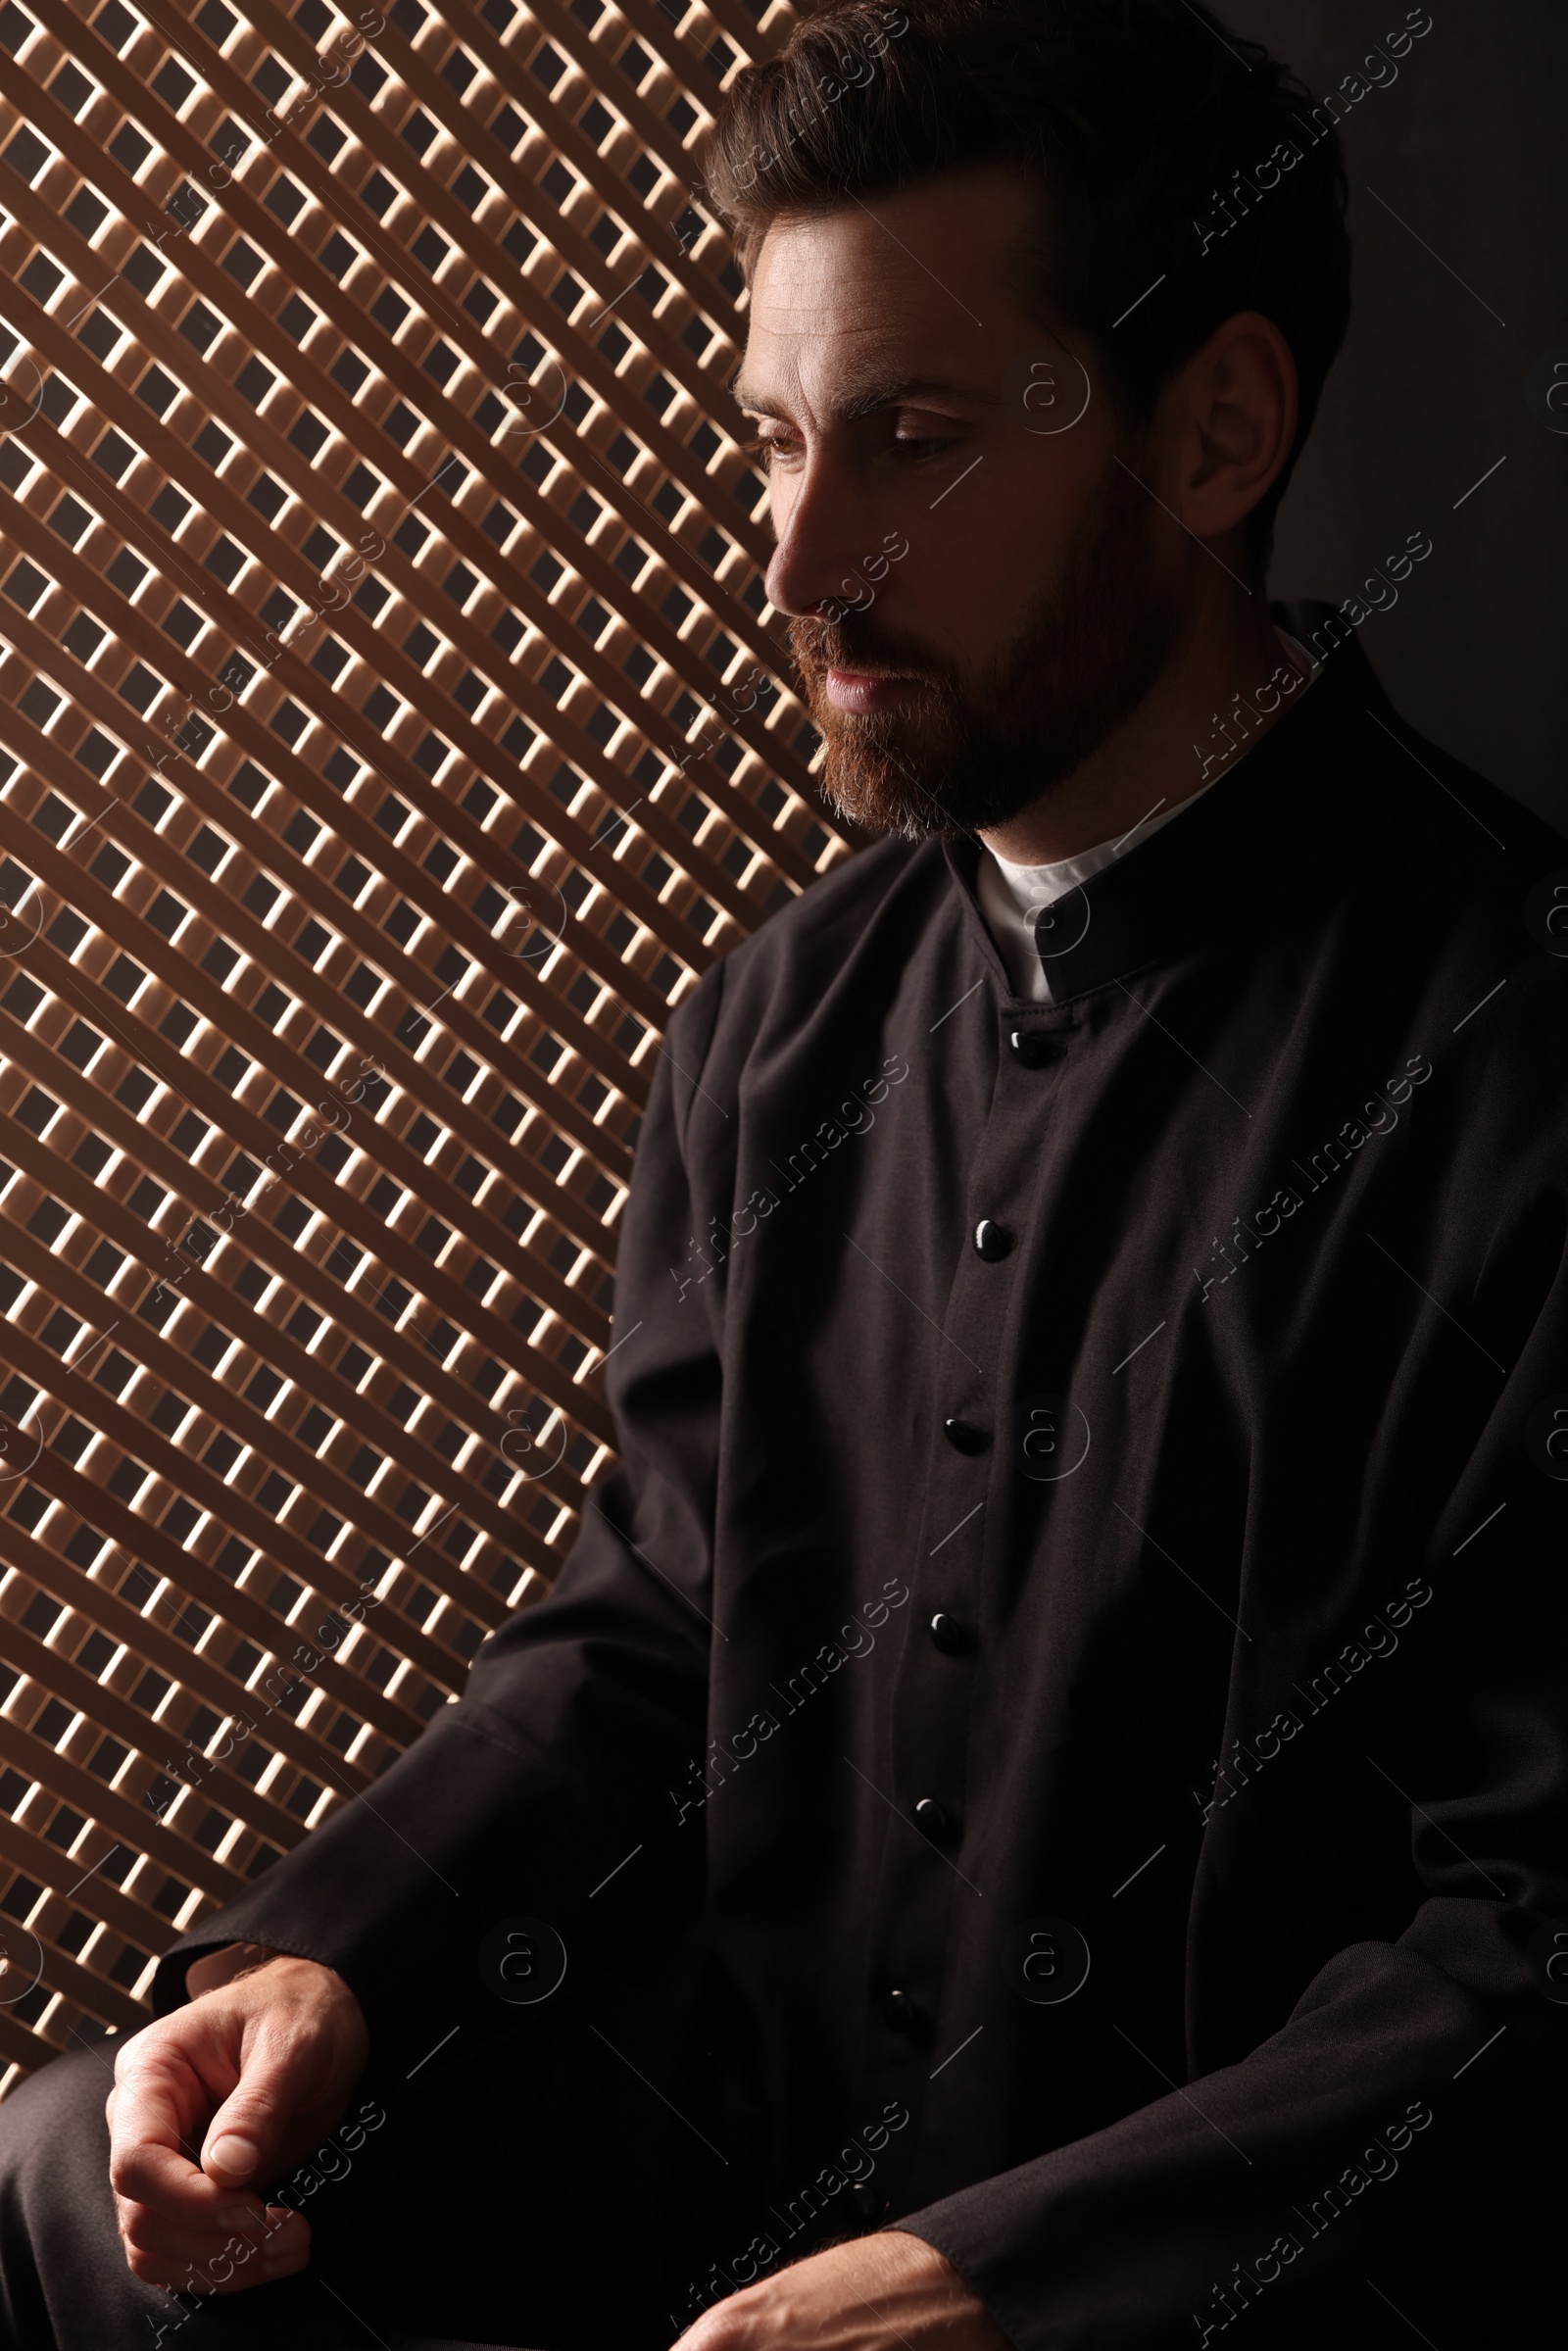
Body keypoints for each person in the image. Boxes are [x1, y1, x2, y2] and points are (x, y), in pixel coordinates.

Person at [2, 0, 1564, 2344]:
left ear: (1217, 428)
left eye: (909, 442)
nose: (793, 561)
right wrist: (332, 1945)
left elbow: (1528, 1938)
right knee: (73, 2167)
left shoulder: (1518, 1051)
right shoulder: (781, 1023)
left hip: (1186, 2277)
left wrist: (1006, 2287)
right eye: (767, 446)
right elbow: (649, 1624)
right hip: (710, 2171)